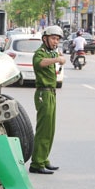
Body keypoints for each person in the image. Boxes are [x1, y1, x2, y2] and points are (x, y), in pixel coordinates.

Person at [29, 25, 66, 174]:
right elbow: (40, 63)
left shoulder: (50, 53)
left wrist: (56, 56)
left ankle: (44, 159)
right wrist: (57, 59)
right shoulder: (40, 53)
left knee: (50, 129)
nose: (55, 42)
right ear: (45, 38)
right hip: (43, 94)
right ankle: (36, 163)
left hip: (51, 93)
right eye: (53, 38)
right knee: (43, 129)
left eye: (57, 39)